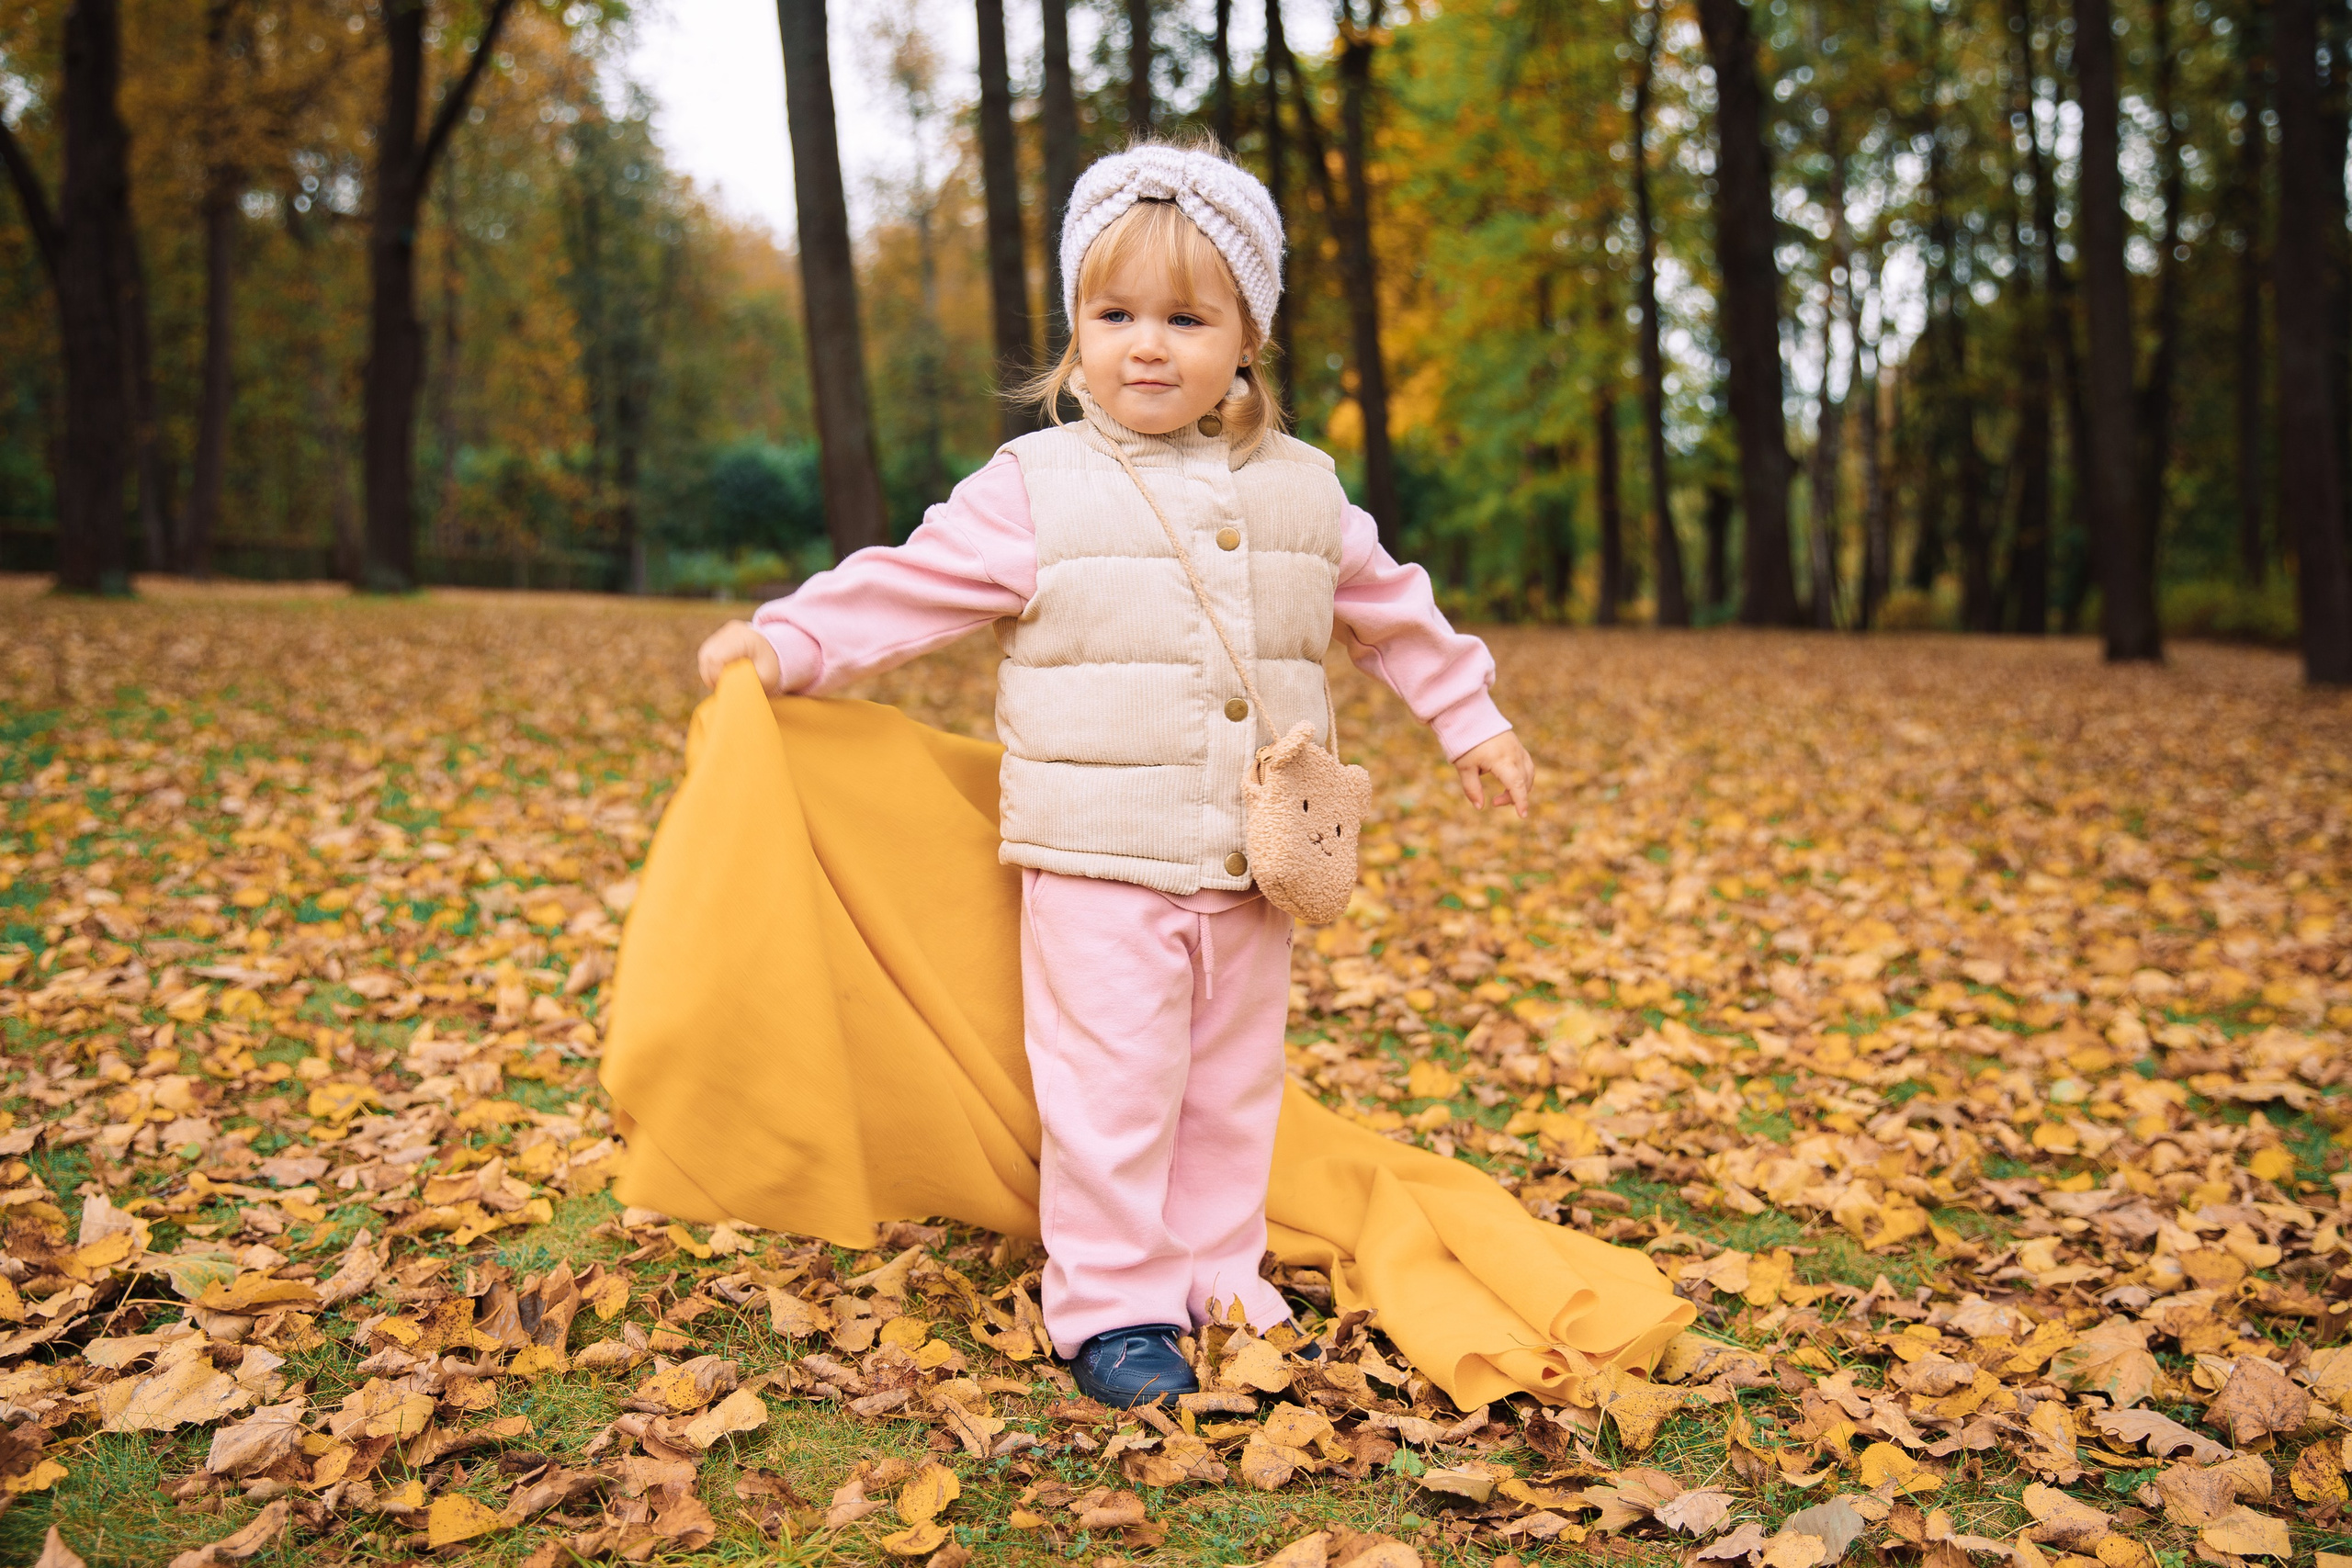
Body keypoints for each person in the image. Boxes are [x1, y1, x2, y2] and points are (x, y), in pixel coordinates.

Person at [693, 140, 1535, 1408]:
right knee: (1112, 1088)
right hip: (1096, 858)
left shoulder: (1307, 492)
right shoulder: (1037, 488)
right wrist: (790, 638)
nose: (1148, 345)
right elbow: (906, 584)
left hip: (1258, 860)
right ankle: (1112, 1304)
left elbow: (1392, 614)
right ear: (1076, 331)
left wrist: (1467, 717)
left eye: (1186, 318)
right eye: (1115, 314)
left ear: (1248, 333)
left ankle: (1218, 1270)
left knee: (1230, 1081)